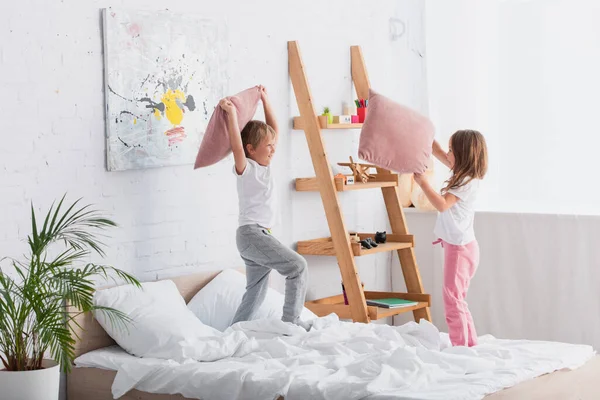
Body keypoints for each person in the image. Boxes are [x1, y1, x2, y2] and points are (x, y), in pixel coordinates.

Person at [219, 85, 310, 330]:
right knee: (297, 267)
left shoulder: (265, 166)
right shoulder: (246, 169)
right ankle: (291, 323)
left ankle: (234, 332)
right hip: (251, 233)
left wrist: (265, 99)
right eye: (268, 146)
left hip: (258, 235)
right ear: (251, 149)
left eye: (273, 145)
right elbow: (237, 146)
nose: (273, 149)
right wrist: (231, 115)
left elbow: (275, 130)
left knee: (256, 292)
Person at [413, 130, 488, 346]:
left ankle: (461, 346)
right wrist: (426, 135)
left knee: (452, 299)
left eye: (451, 151)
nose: (447, 155)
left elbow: (442, 204)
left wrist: (423, 182)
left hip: (460, 249)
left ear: (462, 155)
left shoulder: (464, 181)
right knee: (457, 299)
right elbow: (439, 153)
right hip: (463, 247)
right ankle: (468, 344)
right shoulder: (466, 175)